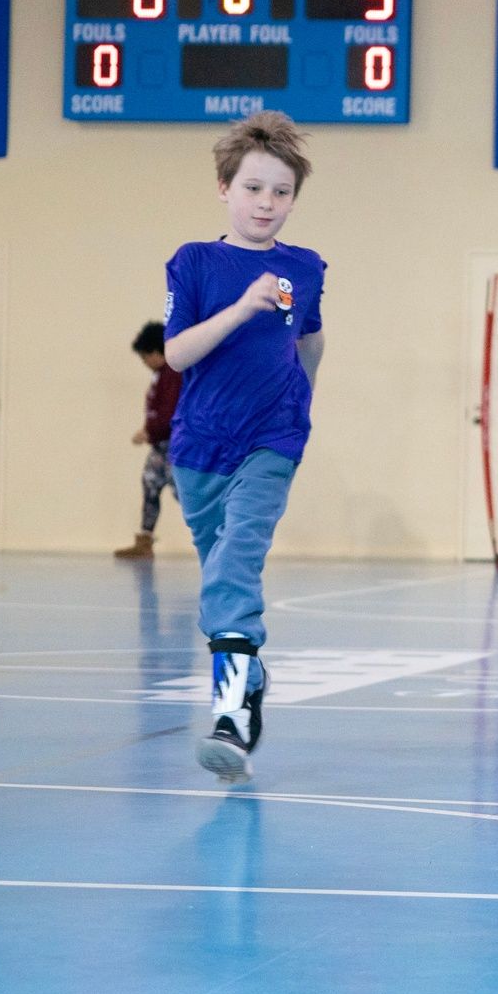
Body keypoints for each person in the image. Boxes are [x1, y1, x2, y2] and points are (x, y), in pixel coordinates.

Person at [162, 111, 325, 783]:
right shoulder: (195, 261)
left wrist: (301, 403)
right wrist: (239, 309)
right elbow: (176, 354)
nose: (267, 204)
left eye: (281, 192)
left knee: (235, 567)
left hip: (272, 440)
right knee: (217, 570)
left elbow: (311, 338)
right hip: (200, 445)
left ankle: (230, 718)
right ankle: (249, 672)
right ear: (225, 188)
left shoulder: (306, 267)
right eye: (255, 188)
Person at [114, 321, 182, 560]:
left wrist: (149, 432)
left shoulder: (173, 374)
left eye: (145, 357)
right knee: (150, 483)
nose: (144, 363)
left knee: (183, 492)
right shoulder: (160, 376)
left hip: (175, 446)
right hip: (160, 446)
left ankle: (216, 534)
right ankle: (145, 539)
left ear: (155, 352)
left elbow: (169, 412)